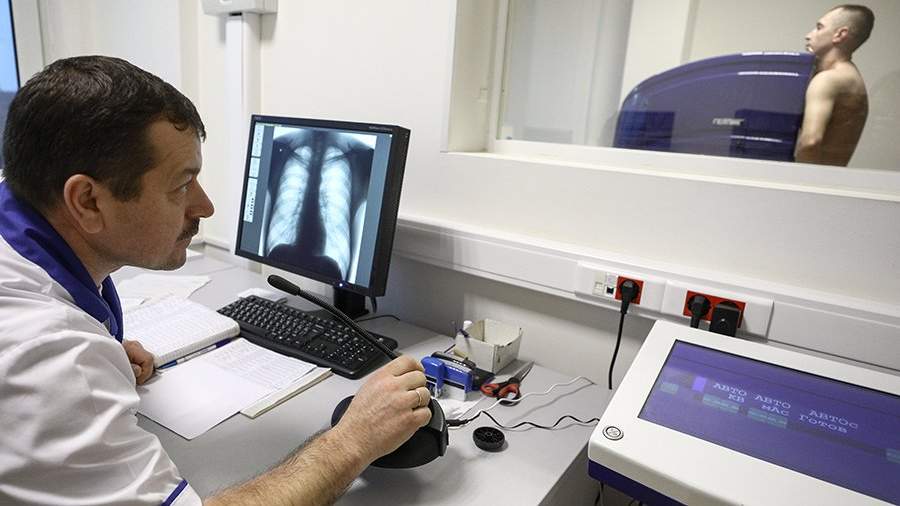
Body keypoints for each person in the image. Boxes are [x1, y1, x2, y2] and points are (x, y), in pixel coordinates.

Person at [0, 55, 432, 505]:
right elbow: (50, 362)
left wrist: (104, 347)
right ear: (88, 201)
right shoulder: (51, 358)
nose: (205, 207)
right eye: (181, 185)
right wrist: (353, 440)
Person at [795, 4, 874, 166]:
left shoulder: (828, 80)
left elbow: (810, 142)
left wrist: (797, 177)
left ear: (840, 34)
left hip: (813, 178)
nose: (808, 35)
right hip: (832, 175)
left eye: (819, 27)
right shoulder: (851, 77)